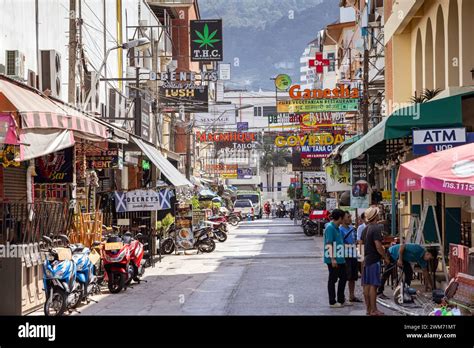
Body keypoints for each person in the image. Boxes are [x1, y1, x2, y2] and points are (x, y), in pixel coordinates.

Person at [361, 206, 390, 316]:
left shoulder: (365, 229)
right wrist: (385, 257)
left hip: (366, 259)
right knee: (373, 286)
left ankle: (368, 310)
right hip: (373, 260)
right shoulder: (376, 228)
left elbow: (361, 245)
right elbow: (378, 246)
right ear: (376, 216)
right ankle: (374, 310)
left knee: (367, 286)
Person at [323, 209, 348, 308]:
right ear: (340, 218)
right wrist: (333, 259)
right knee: (332, 280)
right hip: (333, 259)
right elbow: (329, 243)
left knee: (343, 278)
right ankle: (332, 301)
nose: (345, 219)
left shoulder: (337, 227)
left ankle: (341, 299)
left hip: (340, 258)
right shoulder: (330, 227)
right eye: (344, 217)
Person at [339, 211, 362, 304]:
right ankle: (342, 297)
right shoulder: (340, 230)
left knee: (353, 277)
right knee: (345, 277)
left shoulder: (352, 228)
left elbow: (354, 240)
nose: (349, 218)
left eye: (350, 217)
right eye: (348, 217)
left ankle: (352, 296)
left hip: (353, 255)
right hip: (345, 256)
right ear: (343, 219)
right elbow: (340, 244)